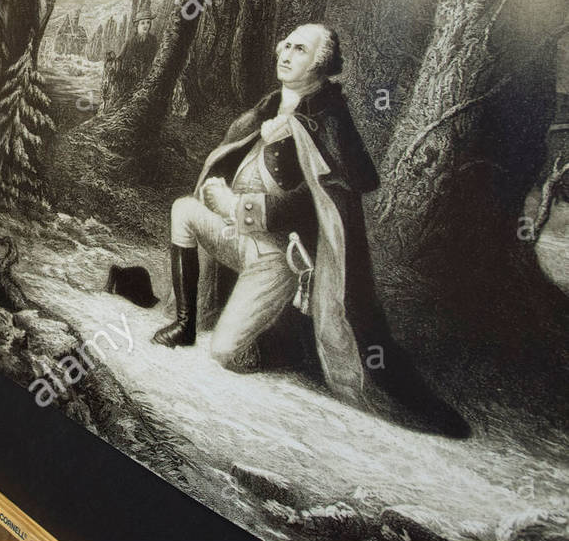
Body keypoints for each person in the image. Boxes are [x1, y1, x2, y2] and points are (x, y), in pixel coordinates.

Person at [152, 23, 455, 430]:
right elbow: (229, 154)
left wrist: (238, 203)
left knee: (225, 353)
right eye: (286, 46)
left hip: (279, 257)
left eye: (299, 49)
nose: (287, 54)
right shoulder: (267, 106)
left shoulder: (329, 119)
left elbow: (322, 199)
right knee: (182, 210)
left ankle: (282, 345)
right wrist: (214, 188)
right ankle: (188, 322)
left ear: (321, 64)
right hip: (234, 239)